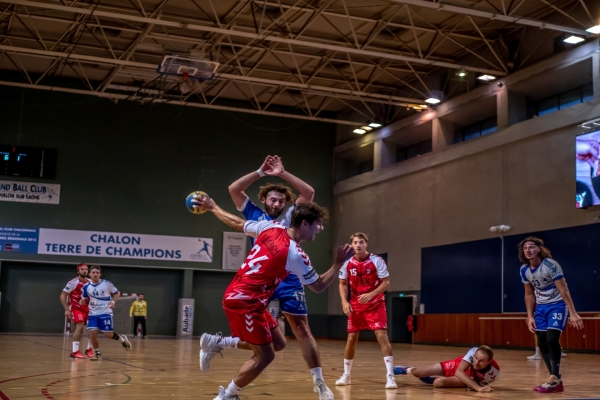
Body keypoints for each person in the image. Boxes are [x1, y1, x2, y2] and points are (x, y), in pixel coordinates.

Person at [200, 156, 337, 399]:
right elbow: (318, 285)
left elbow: (308, 192)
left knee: (283, 340)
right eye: (317, 225)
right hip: (254, 289)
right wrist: (338, 263)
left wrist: (282, 173)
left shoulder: (278, 223)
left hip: (274, 280)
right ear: (264, 199)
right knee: (266, 354)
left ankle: (318, 382)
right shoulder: (265, 223)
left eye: (282, 200)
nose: (277, 202)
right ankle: (227, 395)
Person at [519, 236, 584, 392]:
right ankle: (555, 379)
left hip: (558, 305)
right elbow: (529, 294)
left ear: (539, 249)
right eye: (525, 248)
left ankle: (554, 378)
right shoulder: (524, 270)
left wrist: (573, 313)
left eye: (531, 247)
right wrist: (530, 316)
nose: (528, 250)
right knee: (541, 341)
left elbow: (563, 289)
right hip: (541, 308)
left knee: (552, 338)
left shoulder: (551, 265)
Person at [335, 232, 396, 389]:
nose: (358, 245)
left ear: (366, 244)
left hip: (375, 304)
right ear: (352, 245)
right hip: (356, 305)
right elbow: (342, 283)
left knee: (382, 337)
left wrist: (371, 294)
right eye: (355, 242)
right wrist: (344, 302)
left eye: (361, 242)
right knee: (351, 339)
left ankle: (390, 377)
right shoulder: (347, 263)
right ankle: (346, 375)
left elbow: (386, 283)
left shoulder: (377, 261)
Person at [393, 345, 500, 392]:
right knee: (418, 373)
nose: (476, 362)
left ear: (489, 361)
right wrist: (478, 388)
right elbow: (459, 372)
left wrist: (480, 386)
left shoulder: (494, 373)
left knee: (438, 383)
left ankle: (431, 378)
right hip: (459, 367)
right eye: (475, 358)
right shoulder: (473, 351)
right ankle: (408, 370)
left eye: (481, 361)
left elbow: (481, 383)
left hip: (467, 379)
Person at [80, 265, 132, 360]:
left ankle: (122, 339)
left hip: (105, 312)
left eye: (97, 273)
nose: (95, 274)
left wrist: (113, 302)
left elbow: (117, 293)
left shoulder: (106, 283)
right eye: (93, 272)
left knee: (108, 335)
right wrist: (82, 300)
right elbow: (84, 297)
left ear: (100, 274)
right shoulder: (86, 286)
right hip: (93, 313)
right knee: (93, 333)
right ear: (89, 274)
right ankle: (97, 353)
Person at [60, 263, 94, 359]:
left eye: (86, 269)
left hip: (89, 308)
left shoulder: (91, 282)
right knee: (80, 326)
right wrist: (67, 309)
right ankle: (74, 351)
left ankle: (89, 349)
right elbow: (63, 295)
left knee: (93, 328)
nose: (84, 271)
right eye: (82, 269)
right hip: (76, 308)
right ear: (78, 271)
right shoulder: (73, 282)